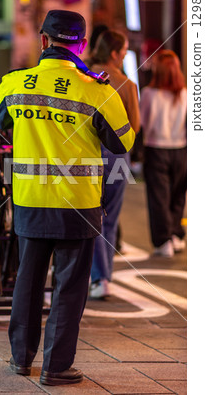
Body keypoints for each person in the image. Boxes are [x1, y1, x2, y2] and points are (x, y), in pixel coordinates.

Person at [0, 10, 135, 386]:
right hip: (78, 205)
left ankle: (20, 359)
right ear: (82, 45)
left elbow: (1, 123)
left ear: (43, 40)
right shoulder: (97, 90)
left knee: (28, 280)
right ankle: (56, 368)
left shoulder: (13, 84)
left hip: (29, 199)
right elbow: (123, 142)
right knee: (70, 288)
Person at [88, 29, 140, 299]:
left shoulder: (83, 75)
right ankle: (103, 278)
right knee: (110, 218)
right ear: (116, 53)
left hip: (88, 152)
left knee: (89, 215)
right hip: (118, 156)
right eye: (124, 51)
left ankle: (96, 276)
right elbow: (135, 126)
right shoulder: (127, 84)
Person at [140, 50, 187, 258]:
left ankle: (163, 241)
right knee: (178, 195)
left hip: (156, 148)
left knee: (158, 197)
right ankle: (176, 235)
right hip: (181, 149)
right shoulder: (185, 93)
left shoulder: (150, 94)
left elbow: (142, 123)